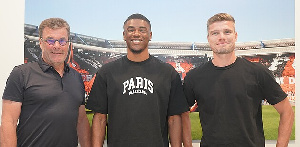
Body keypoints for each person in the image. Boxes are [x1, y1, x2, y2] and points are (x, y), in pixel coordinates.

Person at [183, 13, 294, 147]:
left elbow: (286, 111)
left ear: (235, 36)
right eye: (215, 33)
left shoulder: (258, 72)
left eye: (227, 32)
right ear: (208, 38)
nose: (221, 37)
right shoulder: (194, 77)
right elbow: (182, 114)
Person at [86, 13, 191, 147]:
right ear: (124, 35)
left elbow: (174, 119)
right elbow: (100, 118)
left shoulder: (168, 72)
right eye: (131, 30)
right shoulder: (107, 72)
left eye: (142, 30)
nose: (136, 34)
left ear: (150, 35)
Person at [0, 18, 91, 147]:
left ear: (68, 44)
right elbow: (8, 121)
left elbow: (81, 120)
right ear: (41, 43)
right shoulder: (21, 73)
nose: (57, 46)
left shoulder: (76, 77)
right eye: (50, 40)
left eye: (62, 40)